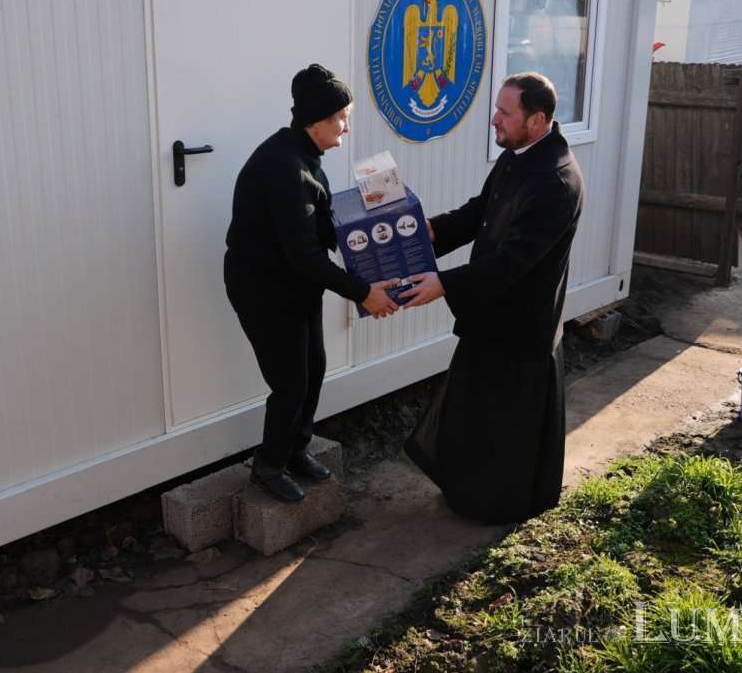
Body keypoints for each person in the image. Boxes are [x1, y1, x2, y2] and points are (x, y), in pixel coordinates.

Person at [399, 72, 585, 524]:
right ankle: (467, 492)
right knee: (473, 416)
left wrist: (444, 283)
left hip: (521, 324)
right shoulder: (520, 154)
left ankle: (499, 507)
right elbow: (482, 211)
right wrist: (431, 233)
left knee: (505, 430)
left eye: (505, 112)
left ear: (537, 120)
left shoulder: (556, 181)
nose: (493, 120)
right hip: (491, 310)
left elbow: (514, 260)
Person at [224, 64, 401, 504]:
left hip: (296, 286)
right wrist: (363, 291)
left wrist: (372, 224)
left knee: (314, 367)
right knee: (290, 382)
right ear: (316, 120)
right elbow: (303, 254)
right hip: (263, 289)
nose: (346, 124)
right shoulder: (285, 167)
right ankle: (268, 466)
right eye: (341, 115)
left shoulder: (306, 159)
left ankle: (295, 450)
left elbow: (323, 230)